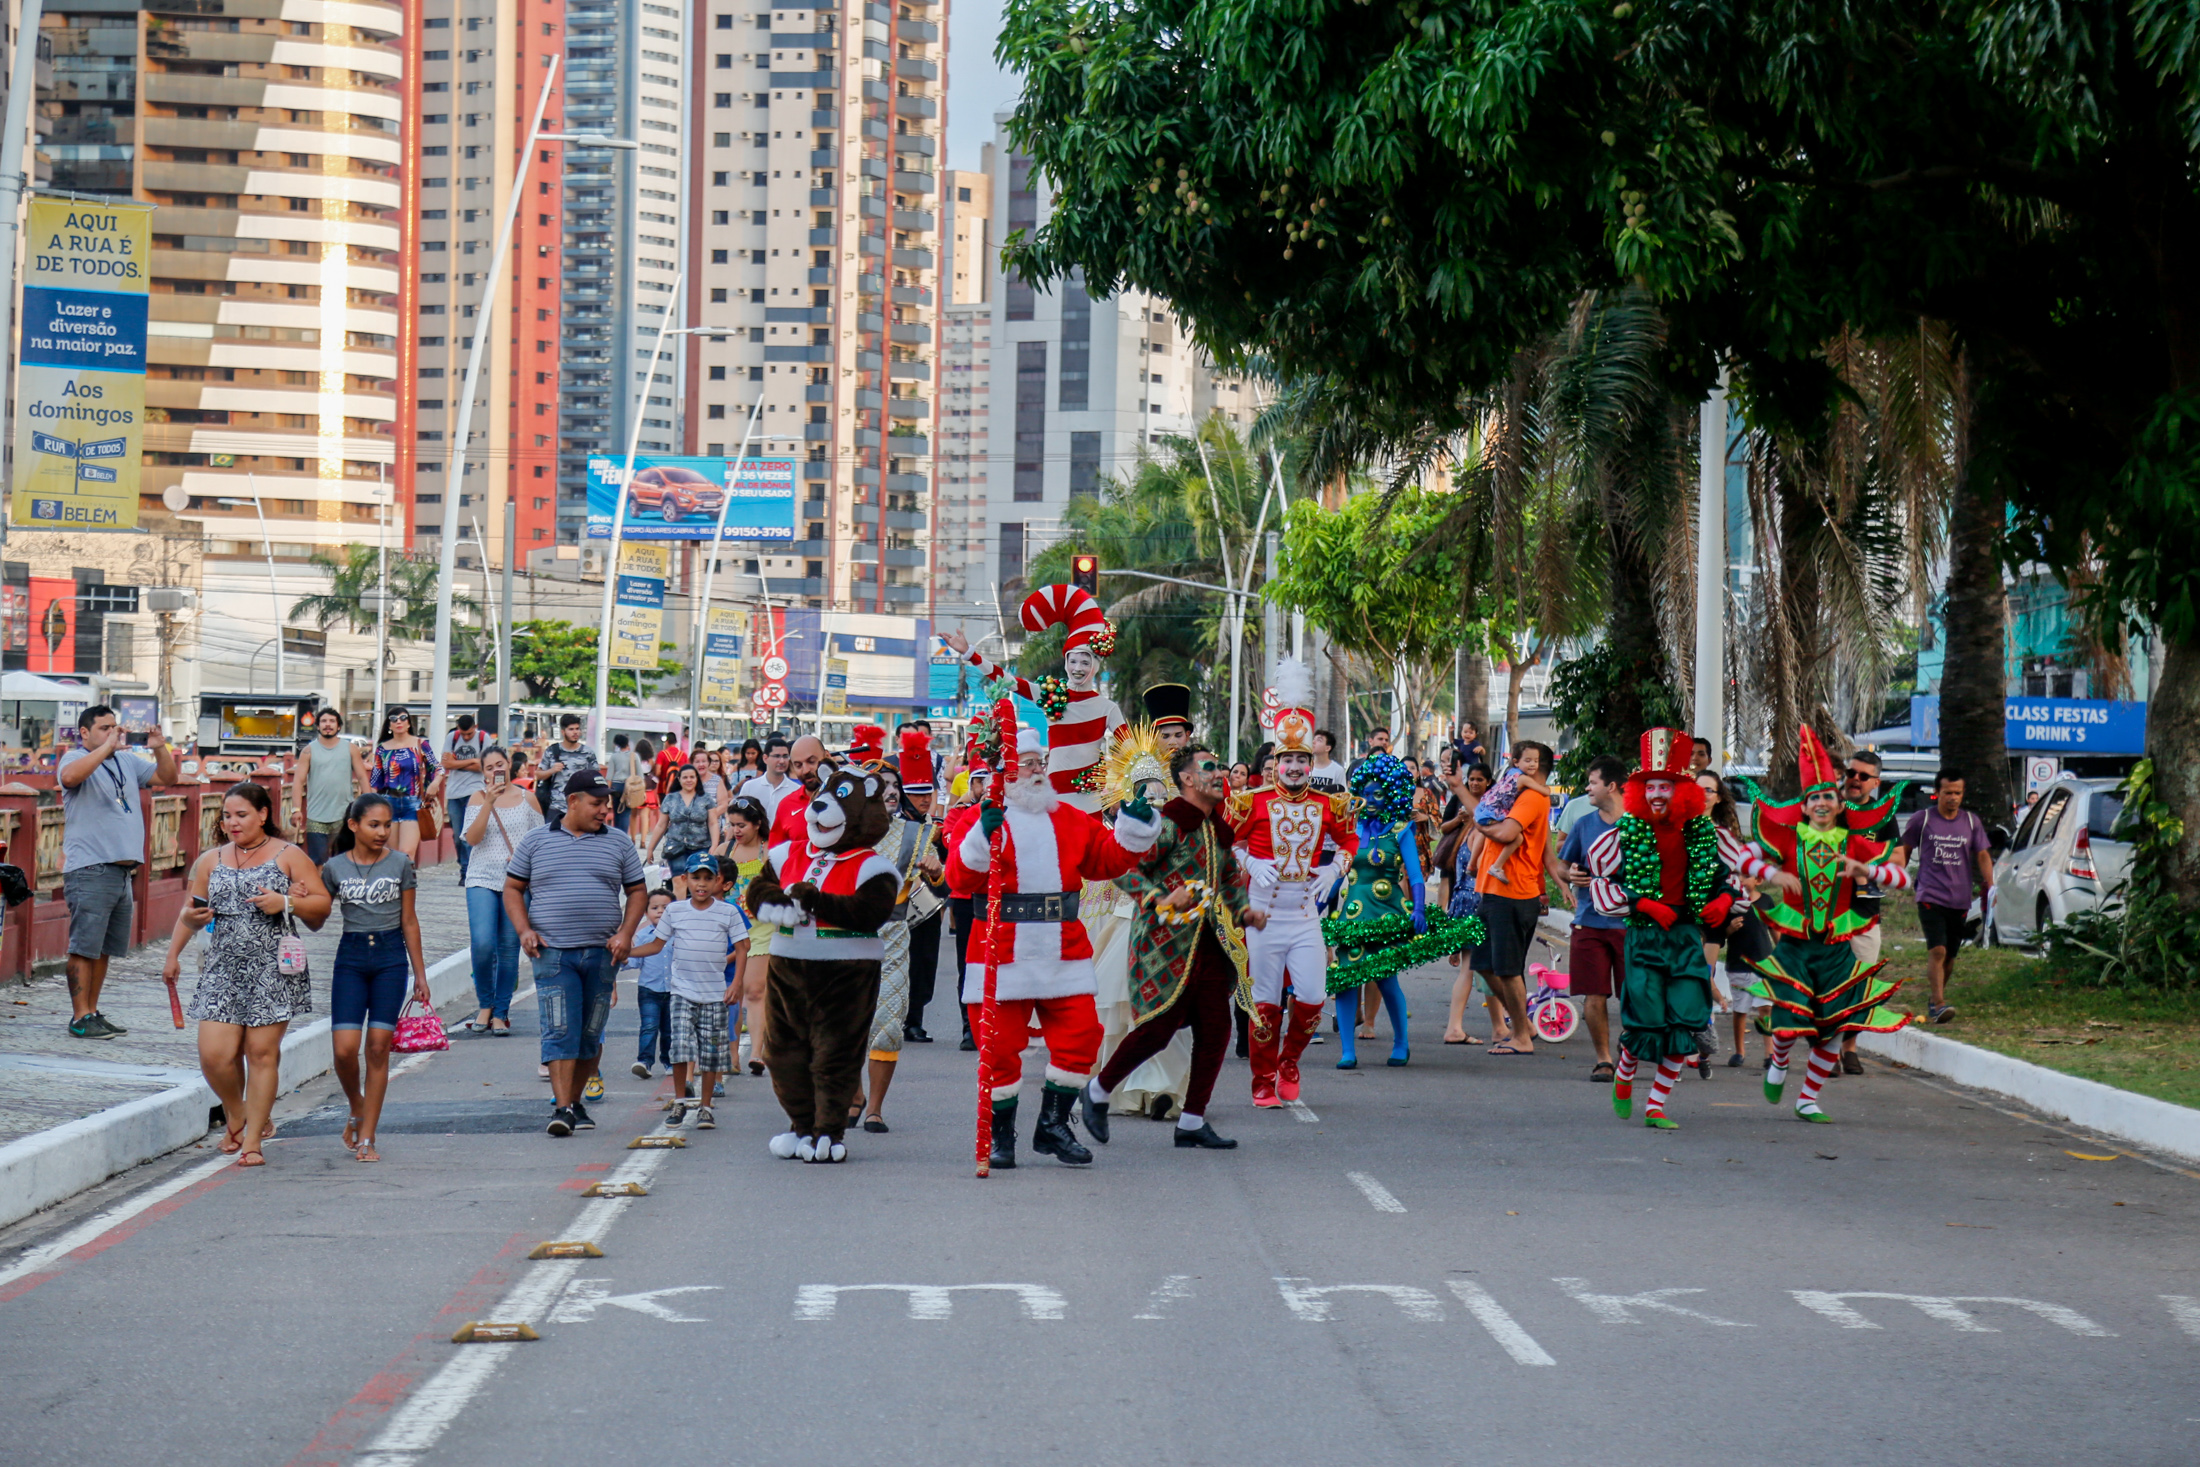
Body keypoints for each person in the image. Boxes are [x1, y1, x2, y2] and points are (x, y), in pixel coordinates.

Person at [953, 725, 1161, 1169]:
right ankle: (1001, 1135)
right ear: (1006, 771)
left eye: (1040, 763)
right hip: (1000, 951)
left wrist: (1133, 827)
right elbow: (960, 879)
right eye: (1028, 764)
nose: (1037, 771)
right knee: (999, 1049)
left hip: (1062, 949)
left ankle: (1052, 1124)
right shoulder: (984, 817)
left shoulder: (1067, 817)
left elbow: (1105, 860)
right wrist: (978, 840)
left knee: (1082, 1035)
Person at [1086, 741, 1262, 1149]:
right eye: (1210, 768)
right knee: (1157, 1031)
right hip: (1164, 945)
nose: (1220, 775)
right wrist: (1160, 898)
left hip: (1208, 944)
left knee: (1216, 1029)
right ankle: (1097, 1092)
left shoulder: (1216, 828)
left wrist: (1244, 912)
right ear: (1186, 779)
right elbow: (1122, 870)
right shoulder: (1166, 825)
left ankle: (1192, 1121)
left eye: (1220, 769)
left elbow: (1230, 878)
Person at [1734, 727, 1914, 1123]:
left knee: (1835, 1025)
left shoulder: (1854, 841)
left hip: (1835, 952)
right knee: (1785, 1024)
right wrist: (1772, 874)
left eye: (1827, 796)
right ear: (1804, 804)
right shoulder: (1786, 838)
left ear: (1838, 803)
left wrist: (1864, 869)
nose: (1820, 803)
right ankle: (1779, 1065)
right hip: (1796, 950)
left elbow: (1903, 879)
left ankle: (1808, 1099)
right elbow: (1742, 859)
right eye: (1813, 797)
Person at [159, 784, 331, 1167]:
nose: (232, 823)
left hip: (273, 966)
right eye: (226, 815)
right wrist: (173, 954)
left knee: (261, 1053)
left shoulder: (289, 855)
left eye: (241, 815)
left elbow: (321, 907)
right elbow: (192, 910)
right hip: (223, 966)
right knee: (214, 1054)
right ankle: (238, 1114)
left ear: (263, 815)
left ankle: (252, 1140)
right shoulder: (210, 859)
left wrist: (285, 901)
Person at [1583, 730, 1739, 1129]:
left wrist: (1721, 902)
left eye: (1665, 786)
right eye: (1650, 786)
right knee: (1645, 1021)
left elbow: (1725, 880)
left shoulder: (1704, 835)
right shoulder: (1626, 833)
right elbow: (1602, 880)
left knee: (1685, 1020)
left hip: (1686, 938)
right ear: (1640, 791)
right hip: (1645, 939)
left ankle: (1655, 1106)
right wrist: (1645, 903)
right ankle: (1625, 1071)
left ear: (1681, 793)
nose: (1657, 793)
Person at [1229, 664, 1357, 1108]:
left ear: (1310, 763)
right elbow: (1228, 840)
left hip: (1305, 913)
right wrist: (1248, 860)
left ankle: (1289, 1062)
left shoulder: (1329, 803)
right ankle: (1262, 1080)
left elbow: (1350, 839)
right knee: (1264, 1002)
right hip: (1263, 915)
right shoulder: (1252, 801)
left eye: (1303, 759)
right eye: (1288, 760)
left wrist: (1335, 868)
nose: (1296, 766)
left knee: (1313, 996)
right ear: (1275, 764)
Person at [503, 770, 648, 1137]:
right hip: (553, 953)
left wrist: (626, 933)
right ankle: (563, 1107)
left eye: (607, 805)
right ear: (572, 801)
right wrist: (524, 930)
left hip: (603, 954)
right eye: (597, 804)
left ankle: (576, 1099)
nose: (605, 811)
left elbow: (637, 891)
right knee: (559, 1029)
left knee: (589, 1033)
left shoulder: (619, 842)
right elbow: (512, 889)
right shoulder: (535, 841)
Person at [1325, 753, 1485, 1068]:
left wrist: (1421, 911)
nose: (1370, 800)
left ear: (1393, 794)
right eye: (1365, 794)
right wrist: (1319, 900)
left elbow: (1414, 875)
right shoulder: (1351, 829)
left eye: (1378, 795)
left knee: (1385, 980)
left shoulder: (1401, 830)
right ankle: (1347, 1050)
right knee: (1345, 980)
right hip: (1353, 915)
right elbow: (1338, 871)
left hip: (1387, 911)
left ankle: (1401, 1043)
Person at [316, 793, 429, 1164]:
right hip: (349, 958)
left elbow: (409, 921)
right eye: (374, 824)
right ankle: (357, 1105)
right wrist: (299, 899)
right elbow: (317, 918)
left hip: (390, 959)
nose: (383, 832)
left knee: (378, 1047)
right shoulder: (333, 867)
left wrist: (420, 974)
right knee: (344, 1049)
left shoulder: (400, 864)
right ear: (354, 825)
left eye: (387, 824)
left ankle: (368, 1137)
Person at [945, 583, 1126, 811]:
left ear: (1096, 666)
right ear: (1065, 662)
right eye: (1073, 660)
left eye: (1085, 661)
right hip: (1052, 799)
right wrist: (971, 654)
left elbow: (1129, 745)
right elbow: (1009, 681)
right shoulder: (1052, 696)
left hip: (1090, 800)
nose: (1078, 667)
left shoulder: (1107, 707)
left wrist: (1132, 782)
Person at [59, 704, 181, 1039]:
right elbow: (69, 779)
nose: (114, 733)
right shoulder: (73, 759)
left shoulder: (126, 761)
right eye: (104, 728)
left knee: (104, 949)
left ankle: (93, 1012)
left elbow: (168, 778)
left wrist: (159, 747)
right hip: (90, 867)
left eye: (116, 727)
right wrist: (104, 749)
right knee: (83, 946)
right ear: (84, 732)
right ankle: (79, 1016)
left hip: (122, 871)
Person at [630, 855, 750, 1130]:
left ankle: (706, 1107)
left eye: (709, 878)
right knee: (681, 1048)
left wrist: (735, 984)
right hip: (682, 992)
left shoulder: (727, 912)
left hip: (715, 993)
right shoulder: (675, 911)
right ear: (685, 879)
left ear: (718, 880)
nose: (702, 884)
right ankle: (680, 1102)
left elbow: (743, 947)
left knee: (711, 1053)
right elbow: (657, 944)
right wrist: (628, 952)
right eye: (696, 878)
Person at [1473, 740, 1557, 1056]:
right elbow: (1545, 851)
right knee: (1484, 964)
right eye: (1525, 760)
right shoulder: (1517, 794)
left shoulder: (1532, 796)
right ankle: (1525, 1025)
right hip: (1495, 891)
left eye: (1534, 762)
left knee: (1507, 968)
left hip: (1512, 892)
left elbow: (1508, 834)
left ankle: (1521, 1035)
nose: (1528, 766)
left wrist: (1478, 819)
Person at [1900, 769, 1994, 1025]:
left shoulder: (1971, 822)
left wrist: (1990, 884)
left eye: (1957, 793)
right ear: (1937, 793)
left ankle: (1935, 998)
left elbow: (1983, 855)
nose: (1953, 798)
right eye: (1947, 793)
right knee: (1938, 950)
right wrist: (1894, 875)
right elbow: (1904, 849)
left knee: (1951, 955)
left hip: (1960, 898)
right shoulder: (1923, 819)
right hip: (1930, 894)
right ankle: (1939, 1003)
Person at [1557, 755, 1631, 1080]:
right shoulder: (1584, 824)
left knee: (1635, 994)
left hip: (1632, 925)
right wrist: (1570, 874)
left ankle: (1629, 1050)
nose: (1588, 788)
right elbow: (1562, 864)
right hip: (1589, 921)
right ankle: (1604, 1060)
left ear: (1611, 786)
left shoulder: (1641, 825)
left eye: (1593, 782)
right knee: (1593, 994)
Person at [461, 746, 542, 1035]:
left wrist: (522, 859)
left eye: (500, 764)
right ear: (482, 772)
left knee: (509, 949)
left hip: (515, 883)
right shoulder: (478, 798)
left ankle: (501, 1012)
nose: (495, 770)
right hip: (481, 878)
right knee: (483, 944)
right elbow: (472, 839)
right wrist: (488, 804)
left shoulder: (527, 799)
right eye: (488, 767)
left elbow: (539, 844)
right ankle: (485, 1004)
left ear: (509, 765)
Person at [1837, 749, 1906, 1069]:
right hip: (1826, 911)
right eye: (1852, 773)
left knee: (1860, 984)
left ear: (1875, 782)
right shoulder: (1828, 807)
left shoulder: (1883, 818)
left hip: (1865, 912)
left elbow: (1899, 860)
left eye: (1863, 776)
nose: (1855, 780)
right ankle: (1824, 1051)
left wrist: (1862, 858)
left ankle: (1849, 1048)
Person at [894, 731, 948, 1046]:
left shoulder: (936, 829)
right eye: (916, 794)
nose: (924, 799)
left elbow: (947, 872)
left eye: (927, 792)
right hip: (895, 906)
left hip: (926, 908)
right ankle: (900, 1018)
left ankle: (915, 1019)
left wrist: (937, 866)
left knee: (924, 964)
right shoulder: (890, 825)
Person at [720, 796, 773, 1074]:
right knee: (733, 993)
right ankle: (731, 1058)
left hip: (760, 929)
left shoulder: (770, 851)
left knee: (754, 990)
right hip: (727, 931)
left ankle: (756, 1053)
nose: (736, 831)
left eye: (742, 825)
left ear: (757, 824)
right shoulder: (723, 849)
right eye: (732, 825)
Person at [943, 753, 990, 1051]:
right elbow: (951, 843)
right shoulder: (960, 813)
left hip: (1000, 899)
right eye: (980, 782)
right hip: (966, 899)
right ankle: (968, 1027)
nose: (985, 787)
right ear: (970, 785)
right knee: (967, 965)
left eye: (990, 781)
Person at [295, 708, 367, 865]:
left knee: (343, 860)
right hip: (316, 816)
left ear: (338, 726)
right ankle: (319, 890)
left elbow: (362, 776)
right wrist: (296, 810)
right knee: (318, 861)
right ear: (318, 726)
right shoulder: (308, 751)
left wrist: (369, 803)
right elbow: (298, 781)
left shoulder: (350, 749)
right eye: (324, 721)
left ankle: (341, 889)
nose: (328, 725)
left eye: (332, 721)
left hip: (342, 816)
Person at [369, 706, 440, 861]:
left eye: (403, 718)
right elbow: (376, 779)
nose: (398, 722)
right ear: (389, 725)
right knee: (392, 854)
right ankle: (396, 885)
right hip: (388, 802)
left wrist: (434, 784)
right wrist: (371, 806)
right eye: (393, 719)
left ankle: (408, 885)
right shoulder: (382, 749)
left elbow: (437, 768)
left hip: (412, 802)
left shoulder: (420, 744)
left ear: (409, 723)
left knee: (407, 853)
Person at [627, 887, 675, 1079]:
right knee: (649, 1025)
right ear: (646, 913)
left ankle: (670, 1062)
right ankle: (644, 1061)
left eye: (666, 907)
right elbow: (636, 961)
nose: (660, 911)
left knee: (669, 1029)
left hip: (674, 990)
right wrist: (623, 958)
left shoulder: (678, 934)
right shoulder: (644, 936)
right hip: (649, 989)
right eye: (655, 908)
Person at [652, 764, 715, 895]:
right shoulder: (670, 798)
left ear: (697, 779)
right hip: (676, 846)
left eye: (692, 777)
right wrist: (650, 848)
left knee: (699, 882)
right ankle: (680, 913)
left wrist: (714, 846)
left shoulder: (706, 798)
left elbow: (713, 823)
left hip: (701, 845)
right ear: (679, 779)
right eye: (685, 777)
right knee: (679, 880)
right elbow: (661, 825)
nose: (689, 780)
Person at [536, 712, 600, 821]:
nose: (575, 732)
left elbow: (596, 778)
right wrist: (552, 771)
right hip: (556, 807)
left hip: (579, 807)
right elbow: (538, 774)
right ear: (563, 732)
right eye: (571, 729)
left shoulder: (587, 753)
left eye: (577, 729)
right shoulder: (552, 751)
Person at [445, 714, 487, 876]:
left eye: (469, 734)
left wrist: (457, 764)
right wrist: (473, 761)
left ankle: (467, 871)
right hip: (454, 792)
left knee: (470, 834)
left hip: (475, 791)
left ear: (475, 728)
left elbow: (483, 766)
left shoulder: (484, 739)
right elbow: (446, 763)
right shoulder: (452, 738)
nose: (466, 737)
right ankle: (463, 863)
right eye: (463, 734)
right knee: (457, 835)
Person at [740, 735, 800, 829]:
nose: (782, 761)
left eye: (785, 756)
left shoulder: (796, 790)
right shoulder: (749, 787)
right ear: (765, 758)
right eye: (777, 756)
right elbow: (740, 818)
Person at [605, 733, 641, 836]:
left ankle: (617, 836)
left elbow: (609, 777)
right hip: (630, 786)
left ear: (617, 744)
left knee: (617, 813)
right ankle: (623, 836)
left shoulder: (614, 757)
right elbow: (640, 775)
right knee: (626, 813)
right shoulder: (634, 756)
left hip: (616, 786)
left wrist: (608, 792)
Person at [1142, 683, 1194, 752]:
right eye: (1165, 736)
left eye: (1178, 735)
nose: (1172, 742)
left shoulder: (1200, 762)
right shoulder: (1143, 762)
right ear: (1154, 738)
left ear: (1187, 736)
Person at [1308, 729, 1348, 795]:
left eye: (1319, 740)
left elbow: (1343, 795)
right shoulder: (1304, 767)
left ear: (1328, 748)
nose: (1313, 742)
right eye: (1313, 739)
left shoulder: (1337, 770)